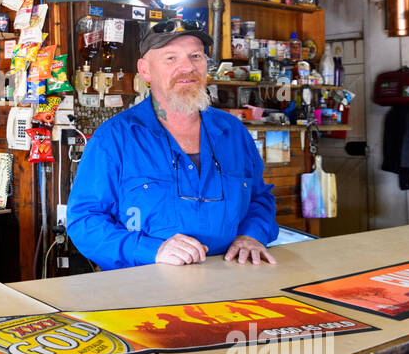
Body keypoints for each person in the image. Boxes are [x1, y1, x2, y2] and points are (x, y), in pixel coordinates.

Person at [67, 19, 278, 269]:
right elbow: (84, 220)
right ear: (145, 70)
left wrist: (252, 235)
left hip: (230, 281)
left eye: (196, 56)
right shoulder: (113, 139)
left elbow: (260, 198)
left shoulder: (232, 131)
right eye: (171, 58)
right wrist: (152, 250)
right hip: (146, 287)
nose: (187, 67)